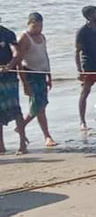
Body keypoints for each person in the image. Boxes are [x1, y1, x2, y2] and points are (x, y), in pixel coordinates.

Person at [17, 13, 55, 147]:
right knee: (38, 106)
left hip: (42, 74)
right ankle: (45, 135)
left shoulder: (42, 37)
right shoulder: (24, 38)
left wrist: (49, 76)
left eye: (40, 25)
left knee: (42, 105)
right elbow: (18, 62)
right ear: (29, 24)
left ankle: (24, 127)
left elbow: (45, 55)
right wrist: (24, 84)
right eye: (35, 26)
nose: (38, 28)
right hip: (30, 74)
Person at [0, 17, 28, 154]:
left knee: (16, 110)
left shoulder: (7, 34)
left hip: (9, 78)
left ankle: (22, 143)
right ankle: (1, 146)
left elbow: (17, 54)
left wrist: (9, 66)